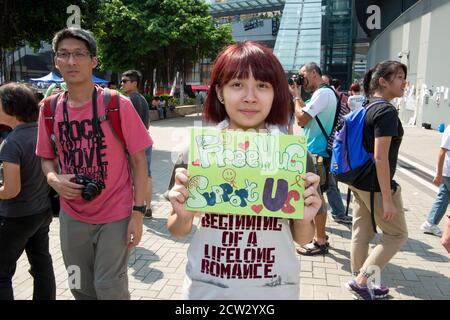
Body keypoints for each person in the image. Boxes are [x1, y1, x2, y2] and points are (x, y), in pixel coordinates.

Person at [167, 41, 322, 299]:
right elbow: (177, 229)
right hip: (207, 291)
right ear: (219, 92)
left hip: (274, 292)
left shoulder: (293, 157)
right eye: (237, 85)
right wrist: (183, 215)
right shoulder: (197, 152)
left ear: (275, 93)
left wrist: (305, 219)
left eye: (262, 86)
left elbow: (302, 238)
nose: (250, 97)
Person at [36, 27, 152, 300]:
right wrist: (54, 180)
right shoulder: (49, 109)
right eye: (64, 54)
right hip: (72, 215)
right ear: (56, 61)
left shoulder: (117, 104)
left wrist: (138, 214)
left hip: (116, 212)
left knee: (109, 286)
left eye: (79, 54)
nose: (71, 61)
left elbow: (139, 162)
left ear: (94, 61)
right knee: (78, 284)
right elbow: (46, 158)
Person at [345, 60, 408, 300]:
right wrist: (388, 199)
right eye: (400, 77)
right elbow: (381, 158)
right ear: (383, 81)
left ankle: (360, 280)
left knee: (362, 231)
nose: (404, 82)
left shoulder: (368, 106)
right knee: (396, 234)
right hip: (375, 184)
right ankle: (362, 281)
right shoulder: (387, 111)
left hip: (358, 181)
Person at [0, 83, 55, 300]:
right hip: (41, 212)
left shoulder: (12, 143)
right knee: (42, 266)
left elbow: (11, 190)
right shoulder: (41, 133)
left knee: (1, 274)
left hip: (15, 217)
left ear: (11, 108)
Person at [289, 62, 343, 255]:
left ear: (314, 73)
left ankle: (320, 241)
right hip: (317, 151)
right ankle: (319, 236)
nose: (301, 79)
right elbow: (307, 117)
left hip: (318, 153)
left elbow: (301, 119)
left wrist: (295, 96)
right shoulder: (323, 94)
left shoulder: (323, 93)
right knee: (316, 195)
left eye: (303, 75)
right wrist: (299, 96)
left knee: (316, 196)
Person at [121, 70, 153, 218]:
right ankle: (148, 207)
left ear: (134, 83)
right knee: (147, 174)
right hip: (145, 140)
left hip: (135, 143)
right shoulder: (142, 99)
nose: (122, 84)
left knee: (136, 175)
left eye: (125, 81)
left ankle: (138, 206)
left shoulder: (130, 100)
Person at [420, 124, 450, 237]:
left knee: (443, 198)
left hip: (447, 173)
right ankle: (430, 223)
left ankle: (430, 223)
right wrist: (438, 173)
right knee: (443, 198)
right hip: (448, 173)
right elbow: (442, 151)